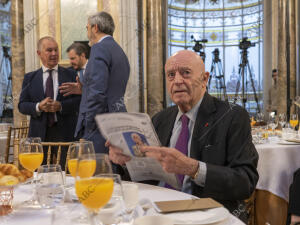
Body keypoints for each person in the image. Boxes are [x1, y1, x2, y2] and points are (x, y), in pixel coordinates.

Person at [108, 50, 259, 221]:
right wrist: (126, 162)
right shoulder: (159, 119)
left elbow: (245, 182)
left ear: (204, 79)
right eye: (171, 75)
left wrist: (193, 168)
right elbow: (147, 180)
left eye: (186, 73)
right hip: (156, 211)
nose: (177, 81)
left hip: (206, 214)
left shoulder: (233, 117)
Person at [18, 36, 81, 167]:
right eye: (49, 50)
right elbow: (22, 105)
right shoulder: (30, 78)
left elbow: (80, 101)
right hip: (38, 136)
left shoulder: (71, 74)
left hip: (66, 135)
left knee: (68, 173)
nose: (54, 54)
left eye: (56, 50)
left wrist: (61, 106)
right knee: (38, 174)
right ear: (39, 53)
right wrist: (38, 106)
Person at [75, 11, 130, 153]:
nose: (87, 32)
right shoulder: (119, 51)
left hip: (100, 127)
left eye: (87, 28)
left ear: (96, 28)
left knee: (97, 172)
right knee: (111, 170)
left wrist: (89, 124)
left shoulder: (99, 48)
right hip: (117, 120)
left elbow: (97, 93)